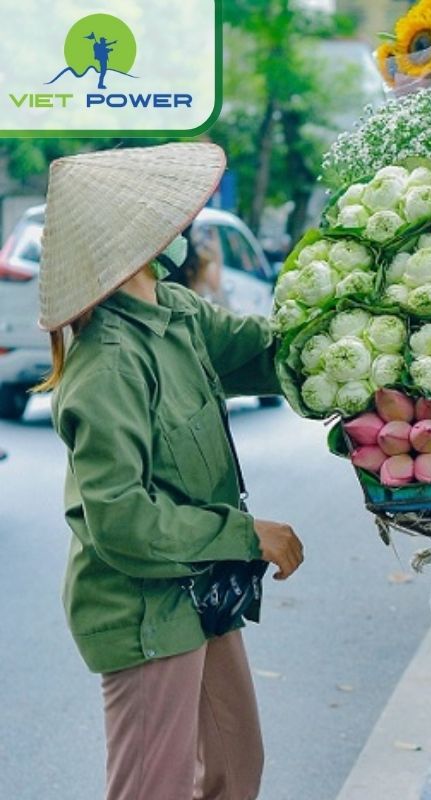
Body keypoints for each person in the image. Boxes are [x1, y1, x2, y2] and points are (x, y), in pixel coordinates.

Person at [34, 143, 304, 800]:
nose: (186, 227)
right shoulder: (107, 370)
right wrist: (249, 534)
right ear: (135, 240)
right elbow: (122, 522)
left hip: (201, 591)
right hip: (143, 611)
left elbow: (266, 354)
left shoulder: (176, 314)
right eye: (170, 218)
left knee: (237, 771)